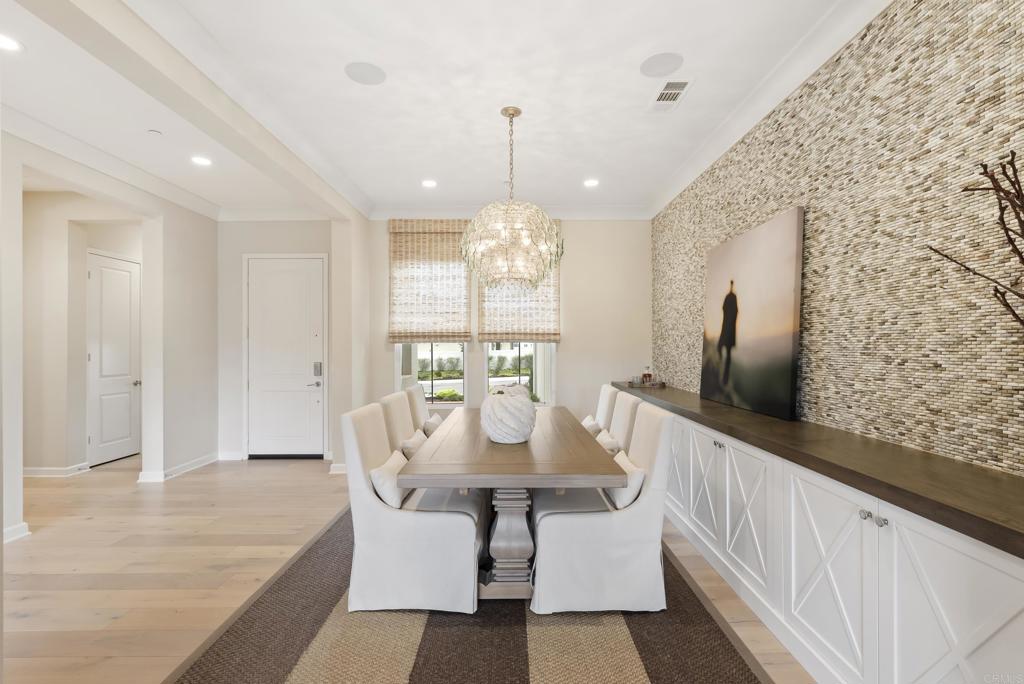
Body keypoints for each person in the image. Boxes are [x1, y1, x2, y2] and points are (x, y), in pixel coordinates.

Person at [718, 280, 738, 384]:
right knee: (721, 348)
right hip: (727, 328)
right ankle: (722, 373)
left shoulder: (732, 297)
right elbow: (726, 309)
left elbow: (733, 311)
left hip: (728, 329)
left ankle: (725, 378)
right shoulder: (730, 297)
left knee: (727, 352)